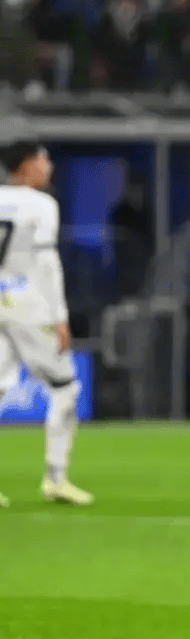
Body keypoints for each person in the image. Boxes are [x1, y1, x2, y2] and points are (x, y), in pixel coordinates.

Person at [0, 141, 92, 508]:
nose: (48, 166)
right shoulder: (41, 204)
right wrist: (60, 318)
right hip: (27, 303)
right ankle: (56, 478)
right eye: (42, 159)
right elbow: (47, 263)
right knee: (65, 387)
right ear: (26, 165)